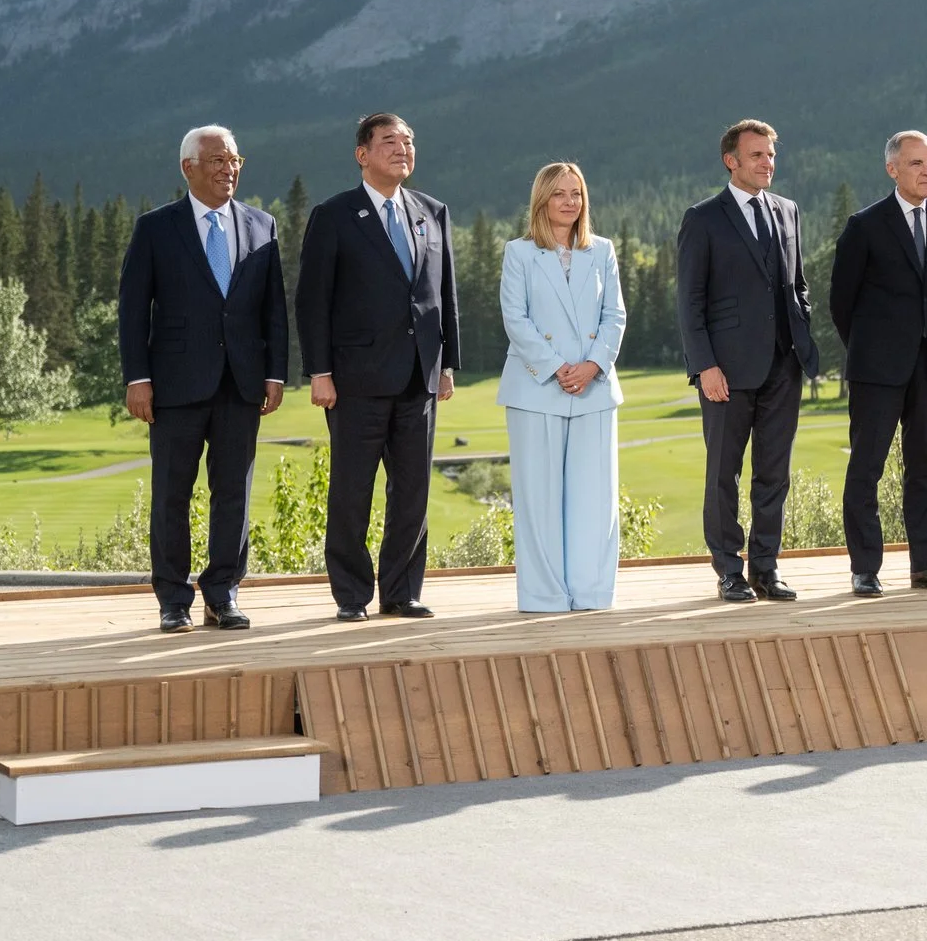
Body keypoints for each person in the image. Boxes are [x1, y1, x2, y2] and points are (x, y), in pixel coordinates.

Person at [116, 126, 288, 633]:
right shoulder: (156, 229)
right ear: (188, 168)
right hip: (172, 385)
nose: (228, 168)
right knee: (172, 493)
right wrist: (137, 378)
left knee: (233, 492)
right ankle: (173, 599)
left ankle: (223, 593)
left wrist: (275, 373)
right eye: (216, 160)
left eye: (234, 159)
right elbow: (132, 311)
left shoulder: (263, 225)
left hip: (242, 383)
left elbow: (272, 310)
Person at [296, 113, 459, 622]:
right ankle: (350, 594)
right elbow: (312, 301)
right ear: (362, 154)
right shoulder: (335, 215)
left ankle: (401, 591)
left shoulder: (432, 211)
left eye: (409, 141)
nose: (402, 148)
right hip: (356, 380)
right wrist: (319, 371)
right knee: (352, 491)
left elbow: (443, 293)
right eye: (389, 141)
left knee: (412, 491)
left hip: (418, 377)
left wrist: (447, 362)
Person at [677, 120, 819, 603]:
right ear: (731, 161)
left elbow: (797, 285)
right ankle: (728, 572)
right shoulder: (704, 218)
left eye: (771, 155)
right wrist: (705, 366)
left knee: (773, 473)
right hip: (726, 371)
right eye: (757, 155)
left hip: (784, 365)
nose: (767, 164)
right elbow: (690, 302)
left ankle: (765, 567)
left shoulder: (788, 211)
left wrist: (802, 338)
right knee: (723, 473)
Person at [827, 130, 927, 596]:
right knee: (867, 466)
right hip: (877, 368)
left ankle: (926, 566)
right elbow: (841, 302)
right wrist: (870, 347)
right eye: (916, 164)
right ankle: (865, 568)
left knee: (924, 465)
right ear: (892, 169)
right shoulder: (864, 226)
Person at [498, 162, 627, 611]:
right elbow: (516, 318)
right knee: (539, 499)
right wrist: (557, 368)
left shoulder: (602, 251)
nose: (570, 201)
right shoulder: (519, 252)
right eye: (559, 193)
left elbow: (615, 315)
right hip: (536, 389)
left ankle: (592, 593)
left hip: (594, 388)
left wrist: (592, 365)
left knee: (595, 498)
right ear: (542, 200)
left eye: (576, 193)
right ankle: (544, 595)